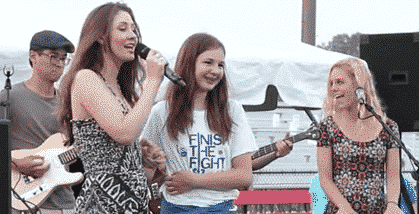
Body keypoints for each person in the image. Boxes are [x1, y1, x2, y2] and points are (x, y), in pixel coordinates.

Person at [57, 2, 166, 213]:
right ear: (100, 36)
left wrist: (145, 157)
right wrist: (153, 81)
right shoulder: (86, 78)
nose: (133, 35)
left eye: (134, 29)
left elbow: (117, 150)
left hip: (132, 203)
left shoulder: (121, 89)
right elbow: (123, 132)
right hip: (102, 203)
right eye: (123, 28)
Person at [140, 33, 259, 213]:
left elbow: (244, 175)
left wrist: (194, 180)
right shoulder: (162, 111)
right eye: (208, 62)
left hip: (220, 208)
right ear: (188, 63)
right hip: (175, 208)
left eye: (221, 65)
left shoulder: (232, 110)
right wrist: (151, 161)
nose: (216, 70)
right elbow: (147, 174)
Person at [316, 58, 403, 214]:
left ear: (359, 86)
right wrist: (345, 208)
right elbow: (325, 178)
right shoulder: (327, 126)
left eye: (340, 82)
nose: (333, 88)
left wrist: (392, 203)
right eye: (331, 83)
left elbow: (394, 176)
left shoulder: (388, 127)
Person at [4, 30, 76, 213]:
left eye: (63, 58)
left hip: (66, 203)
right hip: (25, 201)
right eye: (53, 57)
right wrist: (14, 164)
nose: (59, 63)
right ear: (33, 56)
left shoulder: (68, 103)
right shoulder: (9, 98)